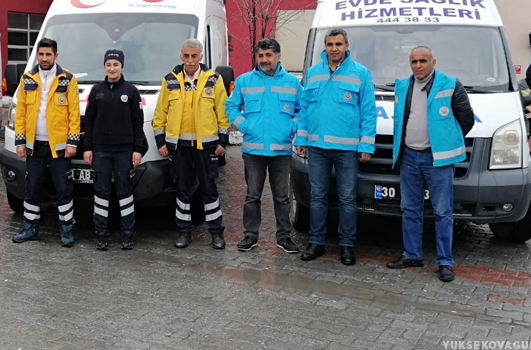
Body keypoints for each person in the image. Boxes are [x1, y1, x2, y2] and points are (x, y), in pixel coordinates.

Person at [386, 46, 475, 282]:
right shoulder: (404, 85)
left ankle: (445, 262)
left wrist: (445, 140)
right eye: (414, 61)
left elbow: (466, 119)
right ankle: (412, 254)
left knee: (443, 212)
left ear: (433, 62)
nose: (418, 65)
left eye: (423, 60)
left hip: (438, 160)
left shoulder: (450, 84)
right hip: (410, 157)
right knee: (410, 209)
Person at [294, 29, 376, 265]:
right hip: (317, 147)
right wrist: (301, 139)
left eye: (338, 44)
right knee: (317, 196)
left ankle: (347, 246)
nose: (334, 48)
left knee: (347, 198)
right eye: (330, 44)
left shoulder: (360, 73)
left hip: (347, 149)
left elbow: (368, 112)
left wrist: (366, 144)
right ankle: (316, 242)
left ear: (347, 46)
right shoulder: (313, 73)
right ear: (325, 46)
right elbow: (304, 110)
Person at [152, 39, 231, 249]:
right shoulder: (169, 80)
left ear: (201, 56)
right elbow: (160, 113)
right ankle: (184, 232)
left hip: (206, 147)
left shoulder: (213, 79)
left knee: (209, 190)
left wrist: (223, 141)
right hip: (179, 147)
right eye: (186, 56)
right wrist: (161, 141)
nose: (190, 60)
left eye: (194, 56)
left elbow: (223, 112)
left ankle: (216, 233)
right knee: (182, 191)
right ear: (181, 56)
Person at [226, 38, 303, 253]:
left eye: (268, 55)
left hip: (281, 151)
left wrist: (291, 126)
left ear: (278, 57)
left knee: (282, 197)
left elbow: (302, 110)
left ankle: (284, 237)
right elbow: (231, 106)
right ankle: (250, 235)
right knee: (252, 196)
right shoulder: (244, 81)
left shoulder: (292, 83)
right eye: (260, 55)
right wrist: (245, 126)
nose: (264, 60)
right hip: (253, 150)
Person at [12, 38, 81, 248]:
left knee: (64, 189)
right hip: (35, 146)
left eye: (48, 54)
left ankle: (67, 229)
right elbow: (21, 114)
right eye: (41, 54)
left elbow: (74, 114)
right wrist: (20, 142)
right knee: (32, 188)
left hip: (59, 146)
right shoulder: (27, 79)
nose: (44, 58)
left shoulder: (67, 79)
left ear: (56, 56)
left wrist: (72, 143)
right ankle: (29, 228)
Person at [82, 49, 147, 251]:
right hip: (100, 151)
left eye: (116, 65)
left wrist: (137, 149)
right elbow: (89, 122)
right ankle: (101, 234)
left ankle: (128, 234)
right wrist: (88, 148)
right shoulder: (96, 91)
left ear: (122, 67)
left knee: (124, 192)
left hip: (124, 151)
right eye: (108, 65)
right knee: (101, 192)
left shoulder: (131, 91)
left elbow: (138, 123)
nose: (112, 68)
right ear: (104, 67)